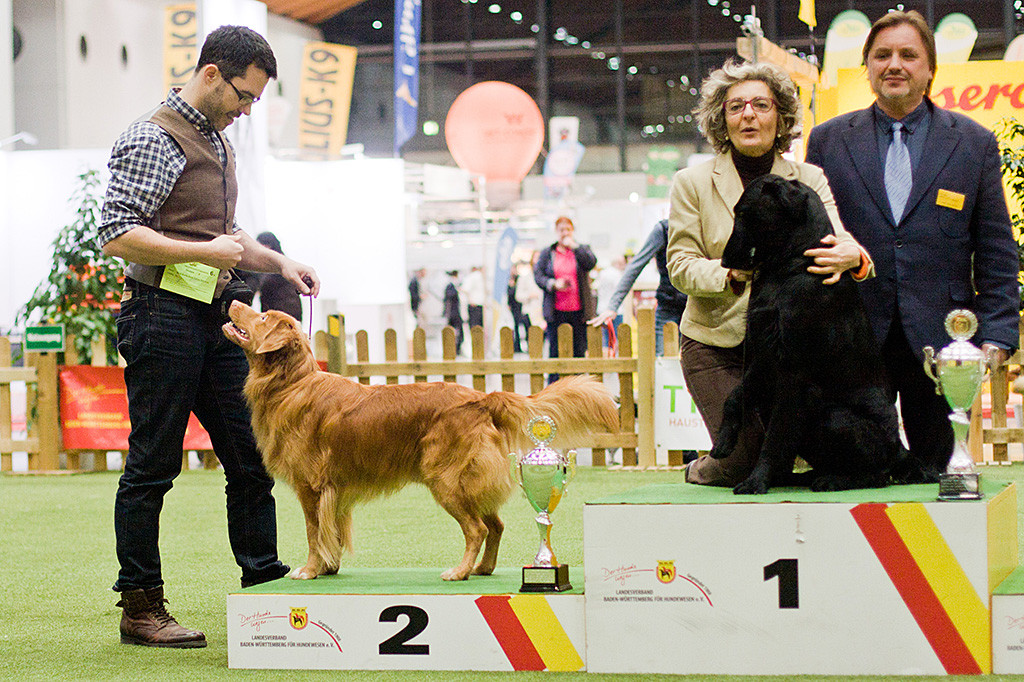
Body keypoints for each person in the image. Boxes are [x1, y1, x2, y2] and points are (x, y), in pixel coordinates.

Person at [98, 25, 320, 648]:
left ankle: (265, 585)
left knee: (252, 458)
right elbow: (116, 234)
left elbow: (224, 233)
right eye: (245, 95)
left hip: (215, 316)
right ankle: (141, 607)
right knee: (153, 466)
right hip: (160, 315)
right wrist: (205, 247)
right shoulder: (151, 136)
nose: (249, 109)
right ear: (214, 74)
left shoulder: (215, 141)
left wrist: (278, 262)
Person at [805, 11, 1018, 474]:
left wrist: (998, 333)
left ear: (930, 68)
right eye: (882, 55)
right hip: (853, 339)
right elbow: (814, 239)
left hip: (942, 343)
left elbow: (996, 247)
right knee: (857, 471)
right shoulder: (827, 142)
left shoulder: (973, 143)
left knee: (937, 475)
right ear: (868, 67)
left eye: (908, 54)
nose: (894, 64)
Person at [666, 59, 873, 487]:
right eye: (736, 106)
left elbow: (839, 240)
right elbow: (680, 266)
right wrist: (728, 275)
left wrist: (855, 257)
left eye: (761, 105)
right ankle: (698, 470)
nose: (748, 114)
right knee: (744, 461)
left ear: (780, 117)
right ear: (721, 119)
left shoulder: (809, 178)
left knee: (793, 455)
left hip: (793, 349)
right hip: (716, 344)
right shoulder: (692, 182)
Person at [590, 220, 689, 356]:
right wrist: (612, 306)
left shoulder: (702, 225)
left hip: (698, 308)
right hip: (669, 306)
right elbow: (635, 267)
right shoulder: (663, 230)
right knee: (663, 363)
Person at [533, 216, 597, 381]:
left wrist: (575, 246)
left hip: (579, 311)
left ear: (573, 231)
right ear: (556, 232)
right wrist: (554, 283)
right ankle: (554, 389)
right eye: (561, 230)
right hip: (556, 312)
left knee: (579, 352)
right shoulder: (548, 253)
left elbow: (591, 263)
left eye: (568, 229)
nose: (565, 233)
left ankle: (579, 389)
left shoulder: (581, 250)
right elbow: (538, 275)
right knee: (556, 352)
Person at [238, 231, 303, 320]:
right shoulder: (282, 263)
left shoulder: (277, 267)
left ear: (267, 246)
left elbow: (262, 282)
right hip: (284, 312)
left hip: (283, 313)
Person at [593, 255, 628, 351]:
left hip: (602, 309)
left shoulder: (602, 273)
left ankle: (606, 356)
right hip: (616, 310)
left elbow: (595, 288)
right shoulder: (618, 274)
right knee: (616, 337)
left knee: (605, 337)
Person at [443, 270, 465, 354]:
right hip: (453, 313)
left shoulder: (454, 286)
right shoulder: (451, 286)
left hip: (456, 313)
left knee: (458, 332)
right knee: (454, 332)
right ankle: (454, 349)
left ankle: (457, 348)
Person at [462, 265, 486, 330]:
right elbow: (466, 289)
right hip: (476, 304)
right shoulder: (477, 276)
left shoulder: (474, 276)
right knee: (478, 326)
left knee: (475, 326)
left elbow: (465, 289)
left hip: (475, 304)